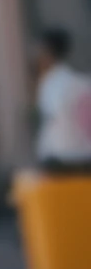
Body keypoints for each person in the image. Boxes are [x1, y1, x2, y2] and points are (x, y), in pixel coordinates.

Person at [33, 28, 91, 173]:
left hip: (61, 160)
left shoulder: (51, 83)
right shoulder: (81, 82)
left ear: (47, 53)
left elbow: (51, 116)